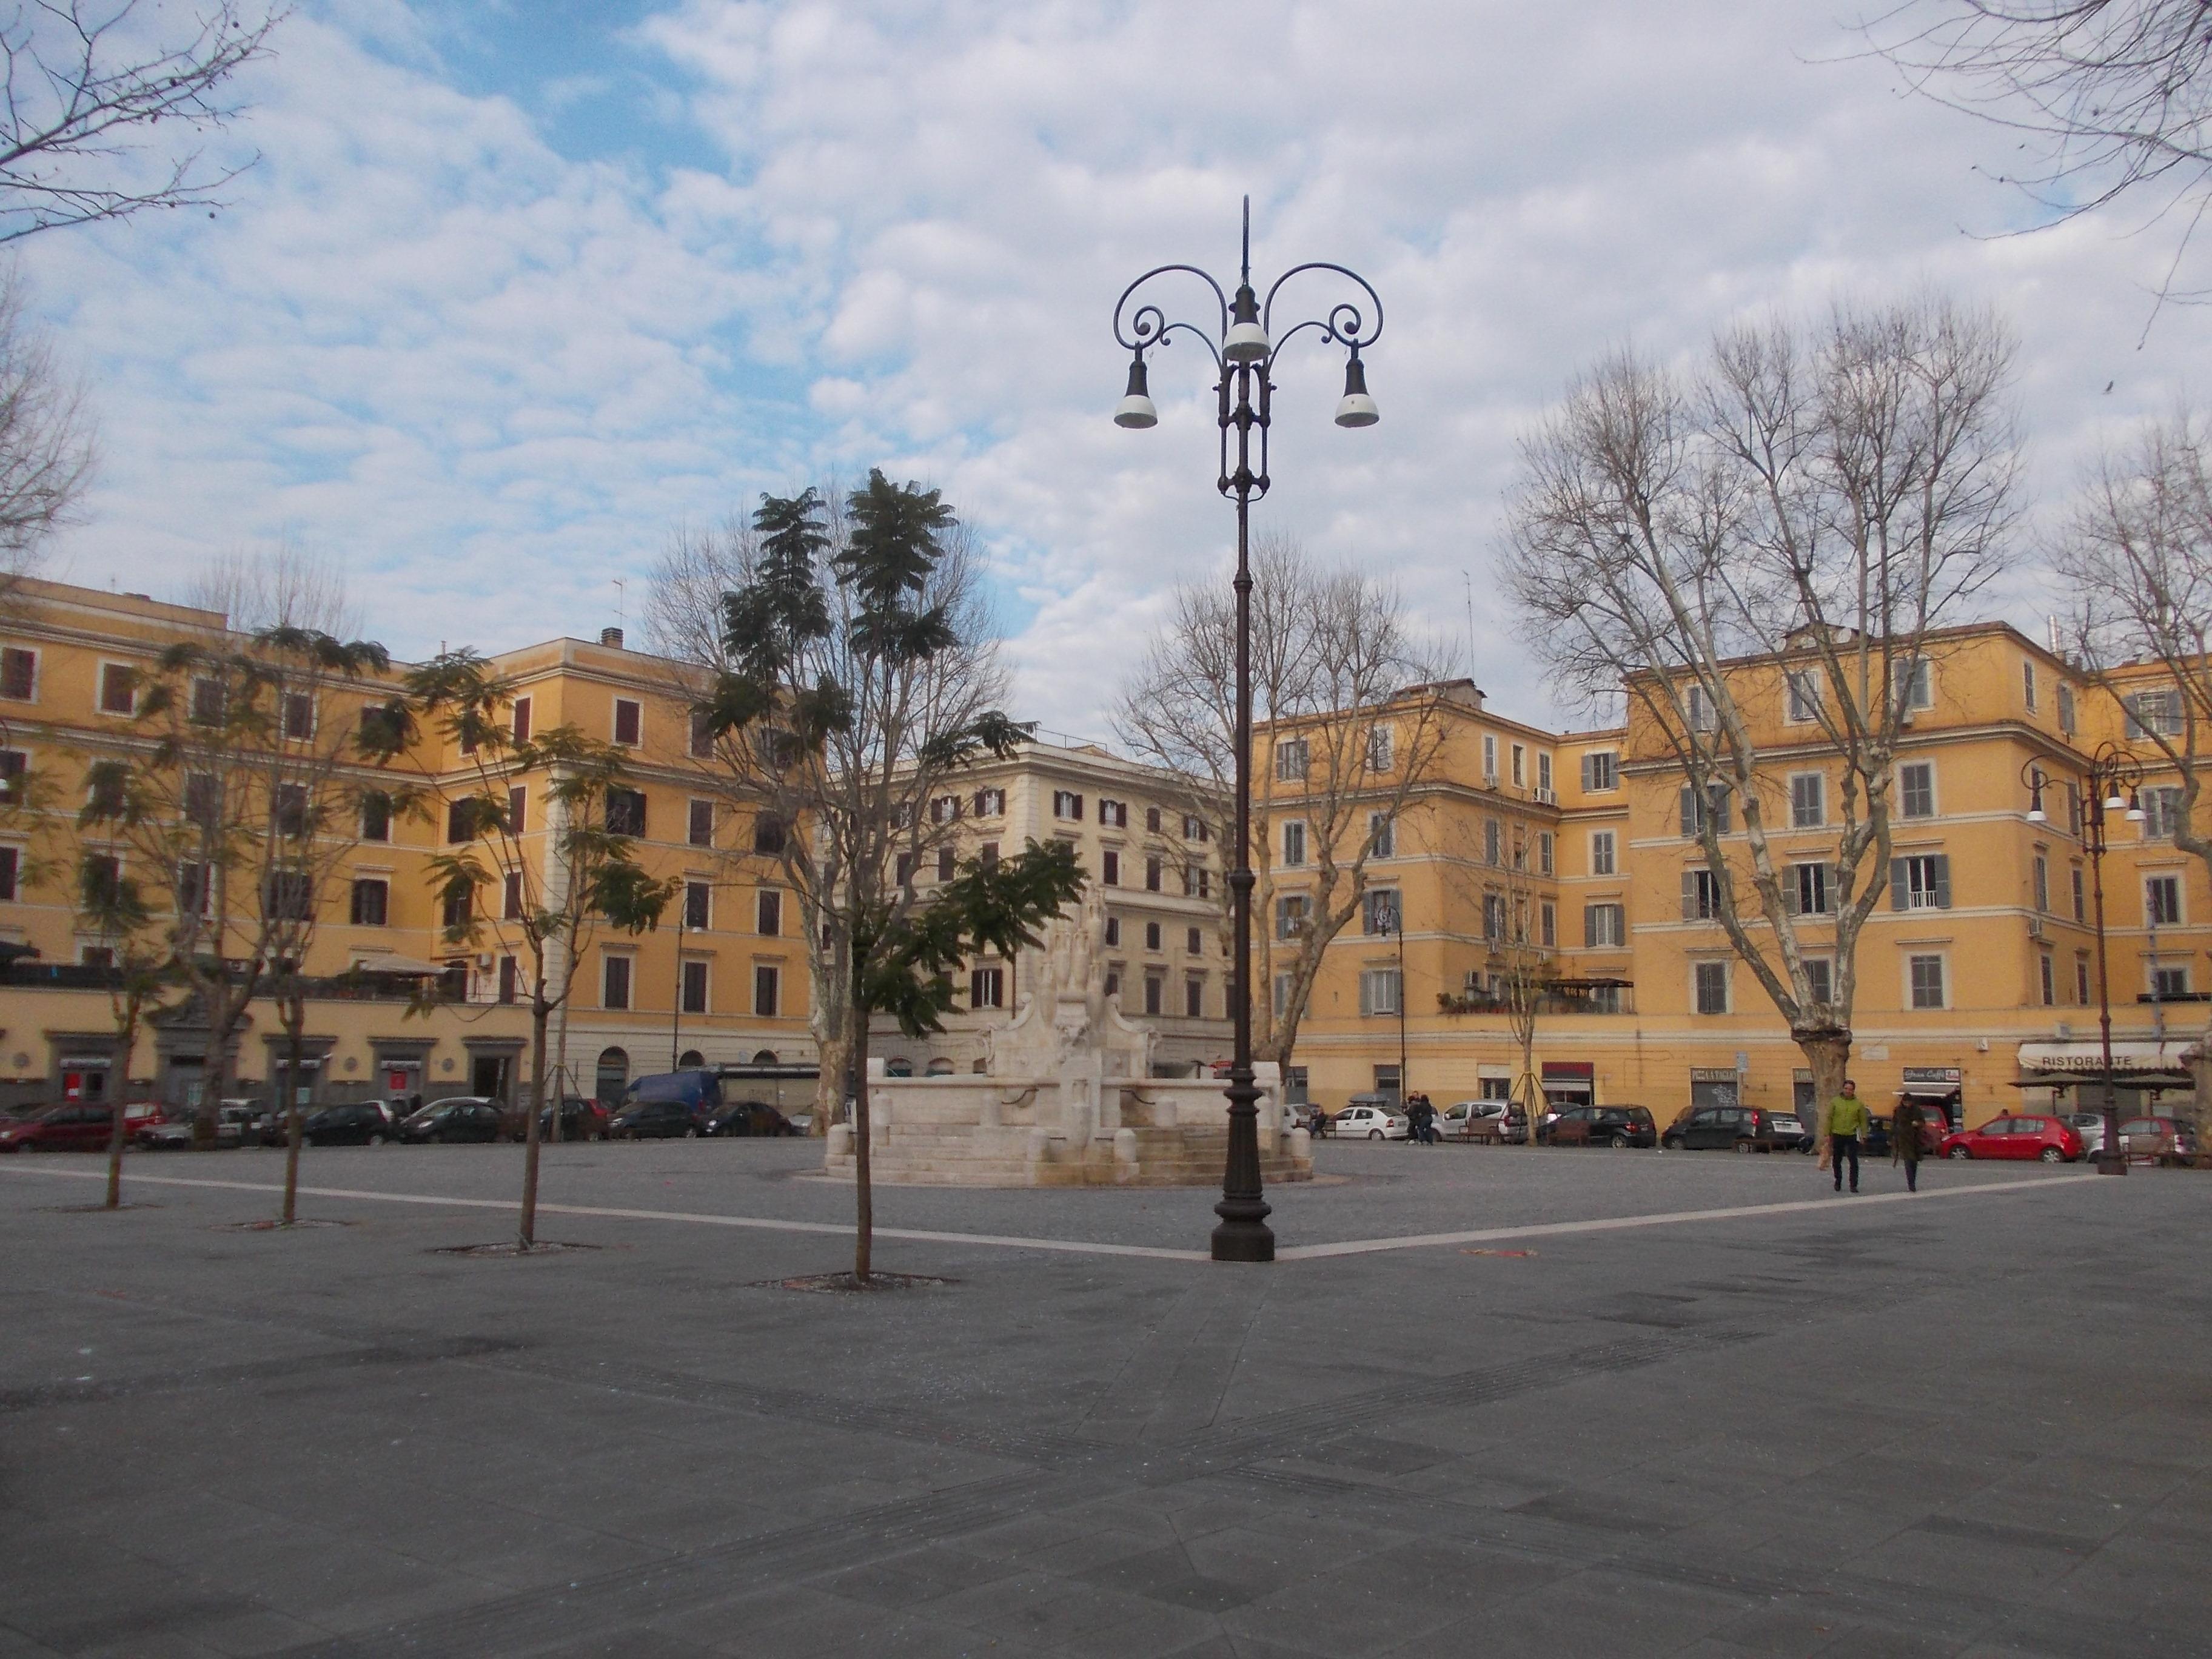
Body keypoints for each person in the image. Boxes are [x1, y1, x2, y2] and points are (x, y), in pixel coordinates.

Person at [1826, 1078, 1869, 1194]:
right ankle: (1838, 1180)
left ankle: (1853, 1185)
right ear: (1843, 1089)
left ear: (1854, 1091)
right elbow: (1829, 1118)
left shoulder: (1858, 1104)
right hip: (1837, 1133)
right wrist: (1827, 1134)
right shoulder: (1835, 1101)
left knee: (1853, 1160)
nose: (1848, 1091)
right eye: (1846, 1089)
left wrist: (1864, 1135)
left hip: (1852, 1134)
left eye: (1850, 1089)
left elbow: (1863, 1121)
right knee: (1837, 1160)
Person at [1892, 1095, 1925, 1193]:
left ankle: (1912, 1181)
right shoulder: (1898, 1110)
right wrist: (1892, 1137)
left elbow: (1923, 1122)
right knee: (1908, 1160)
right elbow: (1894, 1124)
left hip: (1915, 1139)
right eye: (1905, 1102)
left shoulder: (1917, 1110)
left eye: (1908, 1102)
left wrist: (1917, 1124)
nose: (1907, 1104)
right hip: (1903, 1139)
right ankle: (1911, 1184)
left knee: (1914, 1162)